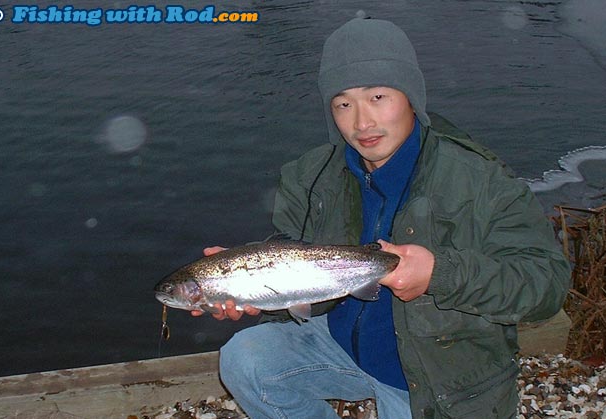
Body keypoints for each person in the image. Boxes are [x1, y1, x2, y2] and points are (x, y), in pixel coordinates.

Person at [192, 17, 571, 418]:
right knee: (245, 359)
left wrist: (440, 274)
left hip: (440, 376)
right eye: (343, 104)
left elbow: (545, 285)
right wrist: (252, 291)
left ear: (411, 97)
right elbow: (304, 277)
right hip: (342, 346)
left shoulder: (481, 180)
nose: (362, 122)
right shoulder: (309, 177)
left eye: (377, 97)